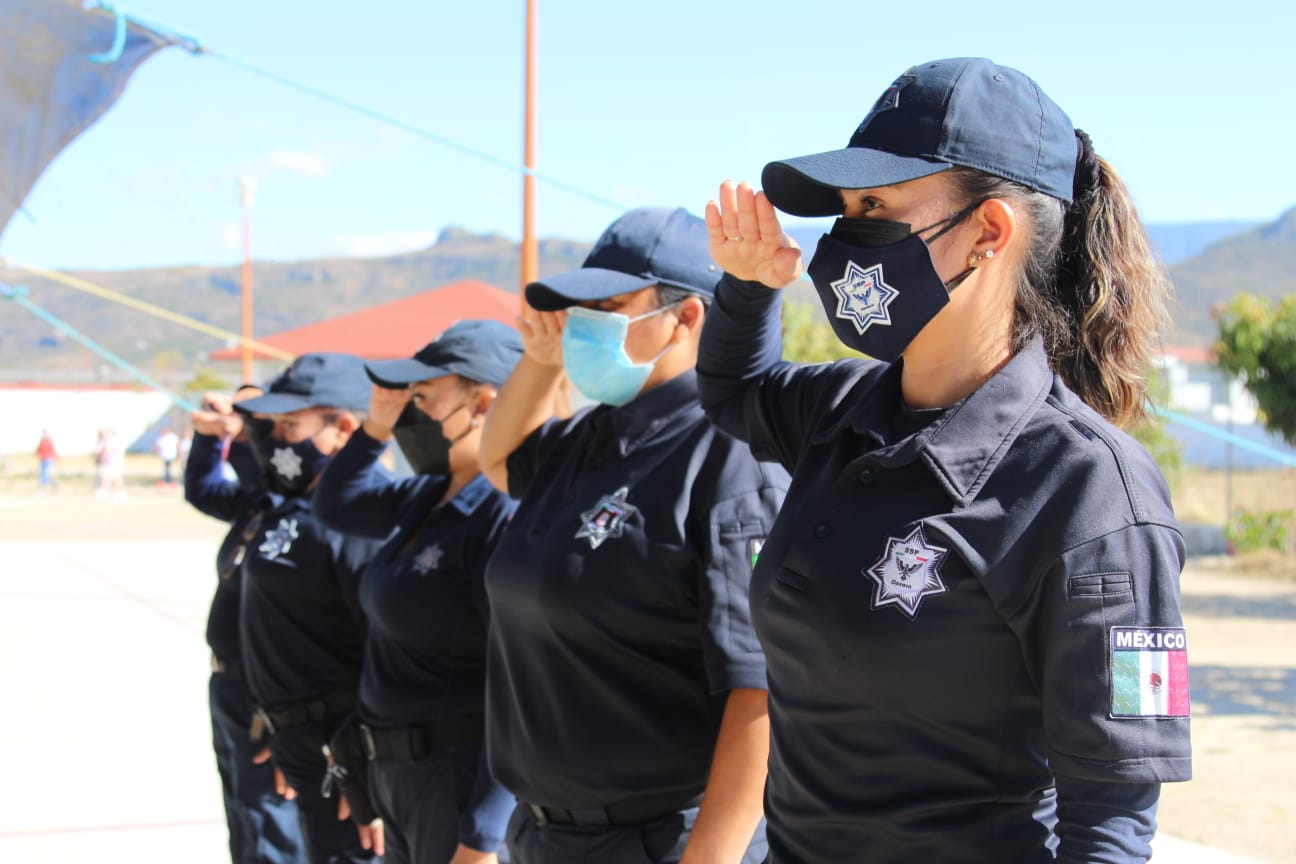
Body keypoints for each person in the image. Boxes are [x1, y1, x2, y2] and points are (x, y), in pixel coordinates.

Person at [697, 57, 1191, 863]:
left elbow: (1111, 817)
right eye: (848, 208)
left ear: (990, 232)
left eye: (877, 207)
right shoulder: (845, 414)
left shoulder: (1091, 488)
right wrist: (749, 288)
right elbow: (732, 392)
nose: (846, 237)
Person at [479, 206, 788, 864]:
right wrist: (541, 360)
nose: (581, 327)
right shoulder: (592, 437)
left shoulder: (727, 455)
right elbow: (501, 461)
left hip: (659, 838)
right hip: (547, 835)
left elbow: (763, 687)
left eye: (607, 306)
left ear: (686, 316)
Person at [312, 320, 524, 864]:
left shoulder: (501, 511)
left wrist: (483, 834)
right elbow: (335, 506)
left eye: (423, 396)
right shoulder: (424, 495)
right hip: (396, 776)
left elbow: (519, 683)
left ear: (483, 403)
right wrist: (374, 431)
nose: (412, 412)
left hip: (453, 778)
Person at [227, 353, 388, 864]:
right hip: (299, 742)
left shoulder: (366, 518)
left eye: (290, 424)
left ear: (343, 427)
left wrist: (359, 758)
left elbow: (386, 650)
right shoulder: (297, 506)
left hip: (345, 747)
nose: (276, 439)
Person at [186, 384, 308, 864]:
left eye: (261, 417)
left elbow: (281, 478)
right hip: (230, 683)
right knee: (242, 811)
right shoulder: (256, 506)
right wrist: (207, 438)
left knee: (269, 821)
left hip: (269, 687)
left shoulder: (295, 503)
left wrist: (242, 435)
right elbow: (205, 490)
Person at [93, 427, 126, 499]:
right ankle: (108, 491)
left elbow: (99, 451)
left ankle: (117, 492)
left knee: (113, 477)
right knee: (107, 477)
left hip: (113, 462)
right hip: (108, 462)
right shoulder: (107, 441)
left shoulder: (111, 441)